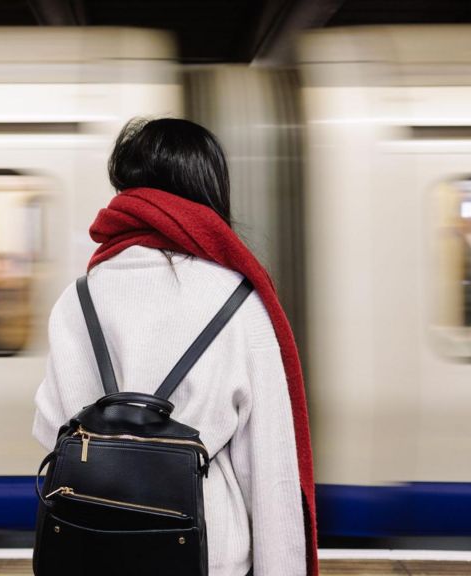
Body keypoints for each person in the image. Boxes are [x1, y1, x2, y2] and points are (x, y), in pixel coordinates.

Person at [32, 118, 317, 576]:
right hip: (208, 560)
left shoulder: (78, 297)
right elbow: (271, 475)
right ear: (210, 191)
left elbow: (51, 430)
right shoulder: (239, 303)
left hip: (91, 552)